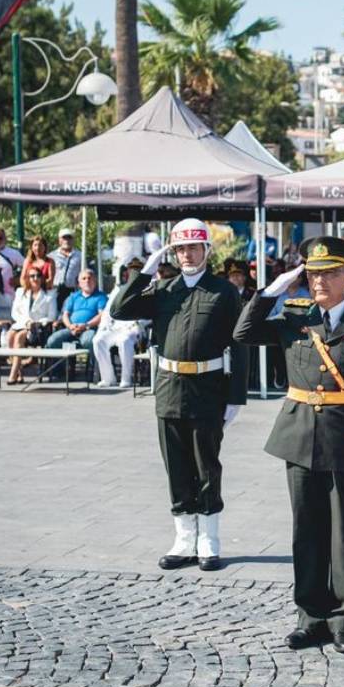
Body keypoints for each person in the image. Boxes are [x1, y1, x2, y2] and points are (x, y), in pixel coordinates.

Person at [232, 236, 344, 655]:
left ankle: (343, 619)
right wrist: (273, 289)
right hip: (300, 438)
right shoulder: (294, 317)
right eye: (312, 274)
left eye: (328, 273)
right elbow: (243, 332)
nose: (318, 281)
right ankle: (310, 618)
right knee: (306, 532)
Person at [110, 219, 248, 572]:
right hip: (170, 388)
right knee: (176, 466)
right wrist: (146, 272)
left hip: (208, 388)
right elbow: (119, 309)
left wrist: (236, 397)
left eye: (193, 248)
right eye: (181, 249)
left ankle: (208, 540)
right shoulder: (163, 290)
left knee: (206, 465)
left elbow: (239, 343)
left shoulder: (223, 292)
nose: (187, 255)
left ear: (207, 251)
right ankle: (184, 539)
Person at [92, 261, 143, 389]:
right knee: (98, 340)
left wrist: (139, 323)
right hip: (115, 326)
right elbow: (107, 312)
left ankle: (126, 379)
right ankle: (108, 378)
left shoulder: (146, 287)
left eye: (136, 270)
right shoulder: (118, 289)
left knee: (124, 341)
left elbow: (149, 314)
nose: (132, 273)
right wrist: (102, 328)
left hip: (132, 328)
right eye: (131, 270)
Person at [8, 269, 57, 384]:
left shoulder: (50, 295)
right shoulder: (20, 292)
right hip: (22, 323)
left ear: (42, 278)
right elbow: (14, 313)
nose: (35, 278)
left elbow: (52, 316)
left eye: (38, 276)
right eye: (32, 276)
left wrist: (36, 323)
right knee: (10, 336)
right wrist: (26, 322)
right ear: (28, 279)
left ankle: (13, 373)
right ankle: (19, 373)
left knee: (19, 337)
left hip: (38, 328)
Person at [46, 270, 107, 351]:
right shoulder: (73, 297)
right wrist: (70, 326)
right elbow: (65, 315)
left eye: (89, 278)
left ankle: (89, 364)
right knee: (52, 341)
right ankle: (62, 363)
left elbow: (102, 315)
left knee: (87, 341)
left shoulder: (101, 296)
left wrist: (86, 325)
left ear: (95, 281)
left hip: (89, 328)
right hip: (71, 328)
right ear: (79, 284)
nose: (87, 281)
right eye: (84, 279)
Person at [48, 228, 82, 309]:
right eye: (64, 238)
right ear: (59, 240)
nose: (66, 240)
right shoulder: (51, 256)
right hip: (55, 290)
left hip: (72, 291)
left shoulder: (80, 256)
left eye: (69, 237)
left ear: (73, 240)